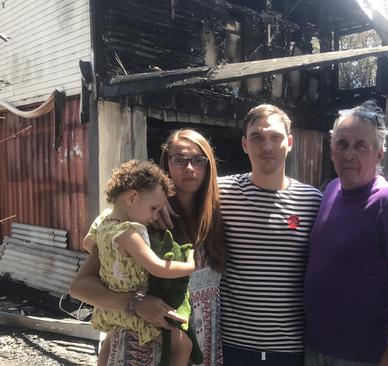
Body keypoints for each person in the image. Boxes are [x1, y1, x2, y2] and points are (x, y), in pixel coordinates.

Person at [70, 129, 227, 366]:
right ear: (166, 164)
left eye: (198, 160)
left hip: (204, 343)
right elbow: (80, 287)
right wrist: (135, 303)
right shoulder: (139, 222)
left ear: (209, 166)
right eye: (179, 159)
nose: (190, 167)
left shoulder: (217, 215)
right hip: (141, 349)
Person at [303, 101, 388, 366]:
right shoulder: (331, 190)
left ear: (379, 154)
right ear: (332, 151)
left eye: (360, 145)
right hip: (316, 350)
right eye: (342, 144)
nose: (349, 154)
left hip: (363, 356)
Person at [217, 104, 322, 366]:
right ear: (244, 144)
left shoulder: (313, 201)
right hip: (232, 344)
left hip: (290, 348)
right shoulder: (220, 193)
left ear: (289, 142)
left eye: (275, 137)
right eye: (257, 138)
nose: (267, 146)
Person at [90, 159, 195, 366]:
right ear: (132, 197)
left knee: (109, 342)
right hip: (137, 308)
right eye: (154, 208)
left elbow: (87, 244)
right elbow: (157, 267)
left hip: (110, 308)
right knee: (183, 345)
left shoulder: (103, 226)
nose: (155, 216)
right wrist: (190, 264)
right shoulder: (130, 233)